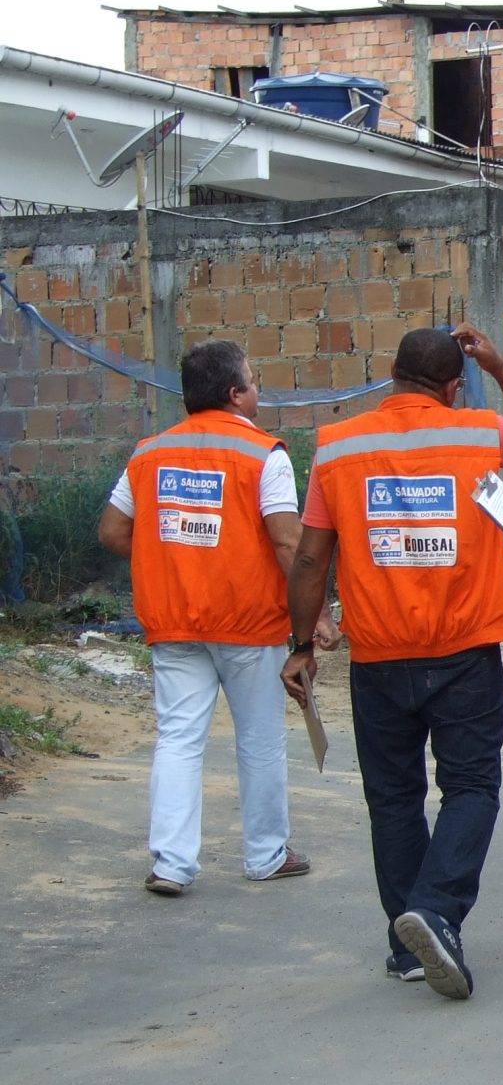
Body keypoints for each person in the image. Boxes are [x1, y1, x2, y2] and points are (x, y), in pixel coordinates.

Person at [282, 324, 503, 998]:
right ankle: (434, 911)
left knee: (394, 798)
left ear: (391, 374)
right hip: (463, 650)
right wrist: (497, 363)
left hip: (378, 656)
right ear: (450, 385)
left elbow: (312, 557)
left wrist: (299, 644)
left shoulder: (339, 446)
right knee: (470, 789)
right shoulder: (479, 432)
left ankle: (407, 945)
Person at [96, 339, 338, 896]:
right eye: (254, 380)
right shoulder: (263, 455)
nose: (259, 390)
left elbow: (112, 532)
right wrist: (316, 612)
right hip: (249, 624)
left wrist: (170, 556)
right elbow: (288, 543)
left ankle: (172, 865)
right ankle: (266, 855)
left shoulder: (148, 453)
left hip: (174, 622)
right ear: (236, 394)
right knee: (259, 739)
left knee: (178, 738)